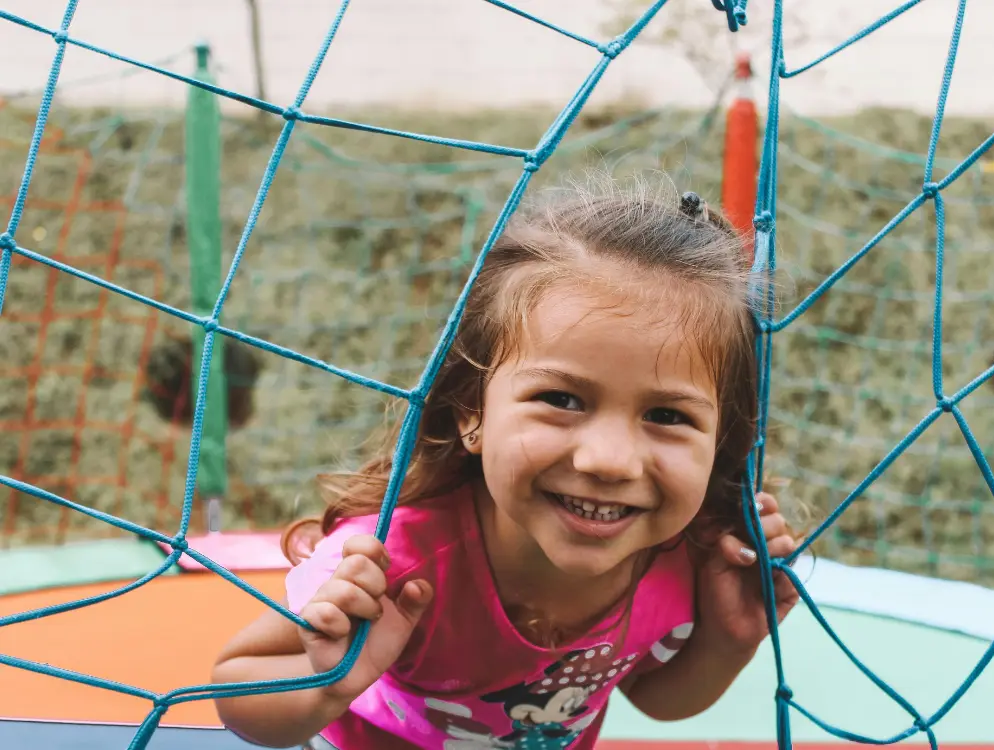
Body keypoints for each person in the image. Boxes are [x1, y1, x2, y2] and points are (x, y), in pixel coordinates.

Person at [211, 177, 802, 749]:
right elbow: (237, 690)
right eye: (561, 400)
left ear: (721, 440)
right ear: (473, 412)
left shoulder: (690, 554)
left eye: (668, 416)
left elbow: (656, 700)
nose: (609, 461)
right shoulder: (393, 561)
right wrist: (327, 684)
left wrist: (730, 637)